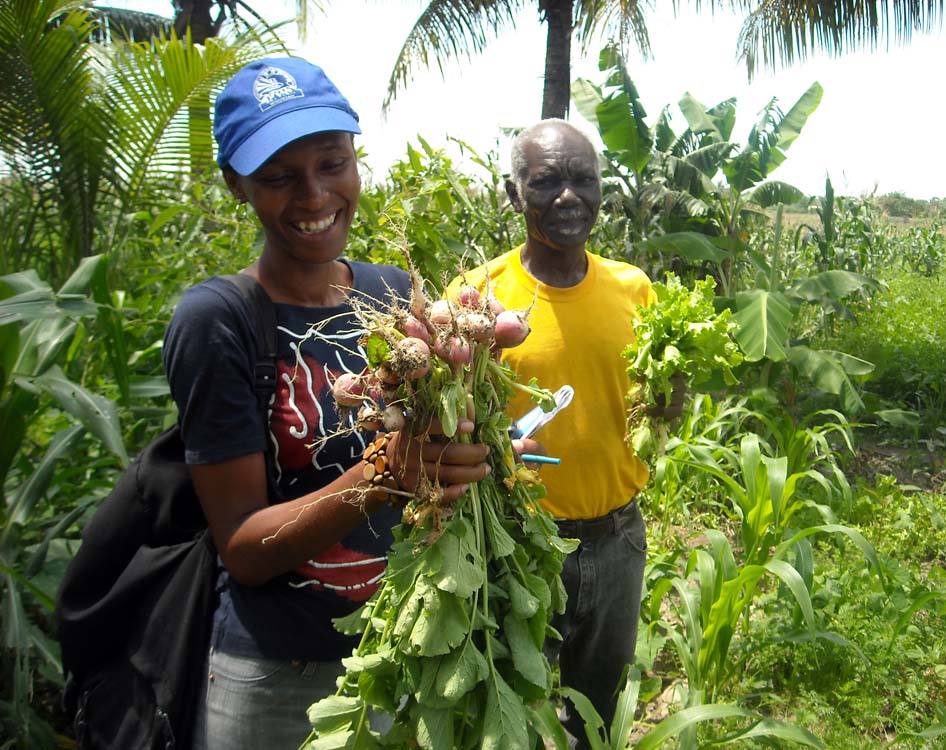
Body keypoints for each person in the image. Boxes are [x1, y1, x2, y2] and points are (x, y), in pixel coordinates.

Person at [163, 57, 491, 750]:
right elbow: (246, 551)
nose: (314, 196)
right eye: (280, 177)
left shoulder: (395, 291)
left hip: (405, 653)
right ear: (237, 185)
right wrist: (385, 472)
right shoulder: (217, 319)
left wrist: (478, 442)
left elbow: (431, 472)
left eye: (332, 163)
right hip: (277, 675)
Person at [450, 119, 683, 748]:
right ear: (512, 191)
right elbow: (449, 426)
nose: (568, 197)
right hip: (516, 543)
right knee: (507, 713)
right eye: (547, 180)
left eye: (584, 180)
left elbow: (659, 409)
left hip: (617, 539)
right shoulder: (478, 298)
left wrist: (672, 400)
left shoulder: (633, 290)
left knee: (596, 715)